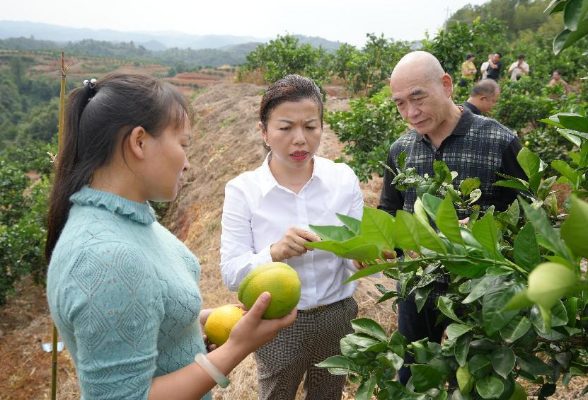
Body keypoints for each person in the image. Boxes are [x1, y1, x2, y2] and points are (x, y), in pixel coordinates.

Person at [45, 73, 296, 400]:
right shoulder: (106, 257)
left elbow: (149, 312)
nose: (188, 163)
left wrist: (196, 323)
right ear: (139, 142)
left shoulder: (130, 221)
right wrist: (238, 347)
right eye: (183, 144)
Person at [379, 51, 527, 385]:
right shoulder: (400, 149)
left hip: (481, 297)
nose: (411, 113)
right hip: (419, 293)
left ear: (446, 85)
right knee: (414, 379)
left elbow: (530, 221)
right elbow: (388, 213)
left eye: (418, 98)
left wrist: (485, 232)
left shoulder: (499, 141)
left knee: (477, 383)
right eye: (400, 103)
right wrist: (389, 246)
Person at [220, 74, 364, 400]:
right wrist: (274, 252)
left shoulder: (343, 179)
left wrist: (363, 254)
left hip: (336, 314)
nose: (299, 139)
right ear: (264, 132)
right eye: (285, 128)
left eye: (310, 127)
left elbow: (356, 253)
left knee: (328, 394)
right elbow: (231, 273)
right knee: (276, 394)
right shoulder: (244, 191)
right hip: (277, 323)